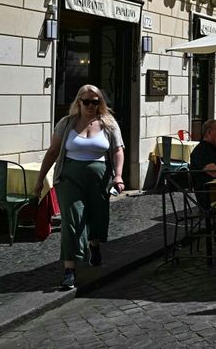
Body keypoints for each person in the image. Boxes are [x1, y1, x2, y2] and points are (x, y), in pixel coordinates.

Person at [33, 85, 125, 290]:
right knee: (72, 220)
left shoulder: (109, 124)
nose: (91, 105)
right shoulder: (66, 123)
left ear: (100, 103)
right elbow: (53, 151)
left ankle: (94, 244)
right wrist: (40, 179)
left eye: (95, 101)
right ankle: (69, 269)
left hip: (99, 178)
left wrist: (118, 175)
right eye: (86, 101)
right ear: (79, 102)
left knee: (97, 216)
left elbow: (118, 150)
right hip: (69, 178)